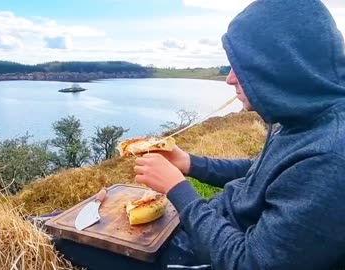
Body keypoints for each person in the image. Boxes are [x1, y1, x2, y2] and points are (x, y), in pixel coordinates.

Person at [54, 0, 345, 269]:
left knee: (58, 240)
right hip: (212, 224)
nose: (230, 78)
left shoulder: (329, 160)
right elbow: (262, 172)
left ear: (280, 68)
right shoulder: (300, 116)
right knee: (57, 222)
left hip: (208, 255)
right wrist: (188, 163)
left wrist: (178, 190)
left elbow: (249, 263)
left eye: (242, 68)